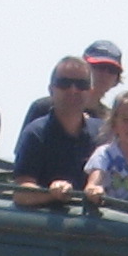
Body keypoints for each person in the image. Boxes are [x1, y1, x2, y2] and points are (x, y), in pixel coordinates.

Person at [12, 57, 98, 202]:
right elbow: (21, 193)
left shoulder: (103, 134)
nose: (73, 90)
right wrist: (52, 194)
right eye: (64, 83)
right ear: (51, 89)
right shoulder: (35, 133)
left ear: (90, 92)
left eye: (81, 84)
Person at [20, 39, 124, 134]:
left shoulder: (110, 120)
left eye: (111, 70)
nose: (104, 74)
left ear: (117, 79)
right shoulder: (43, 108)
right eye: (99, 67)